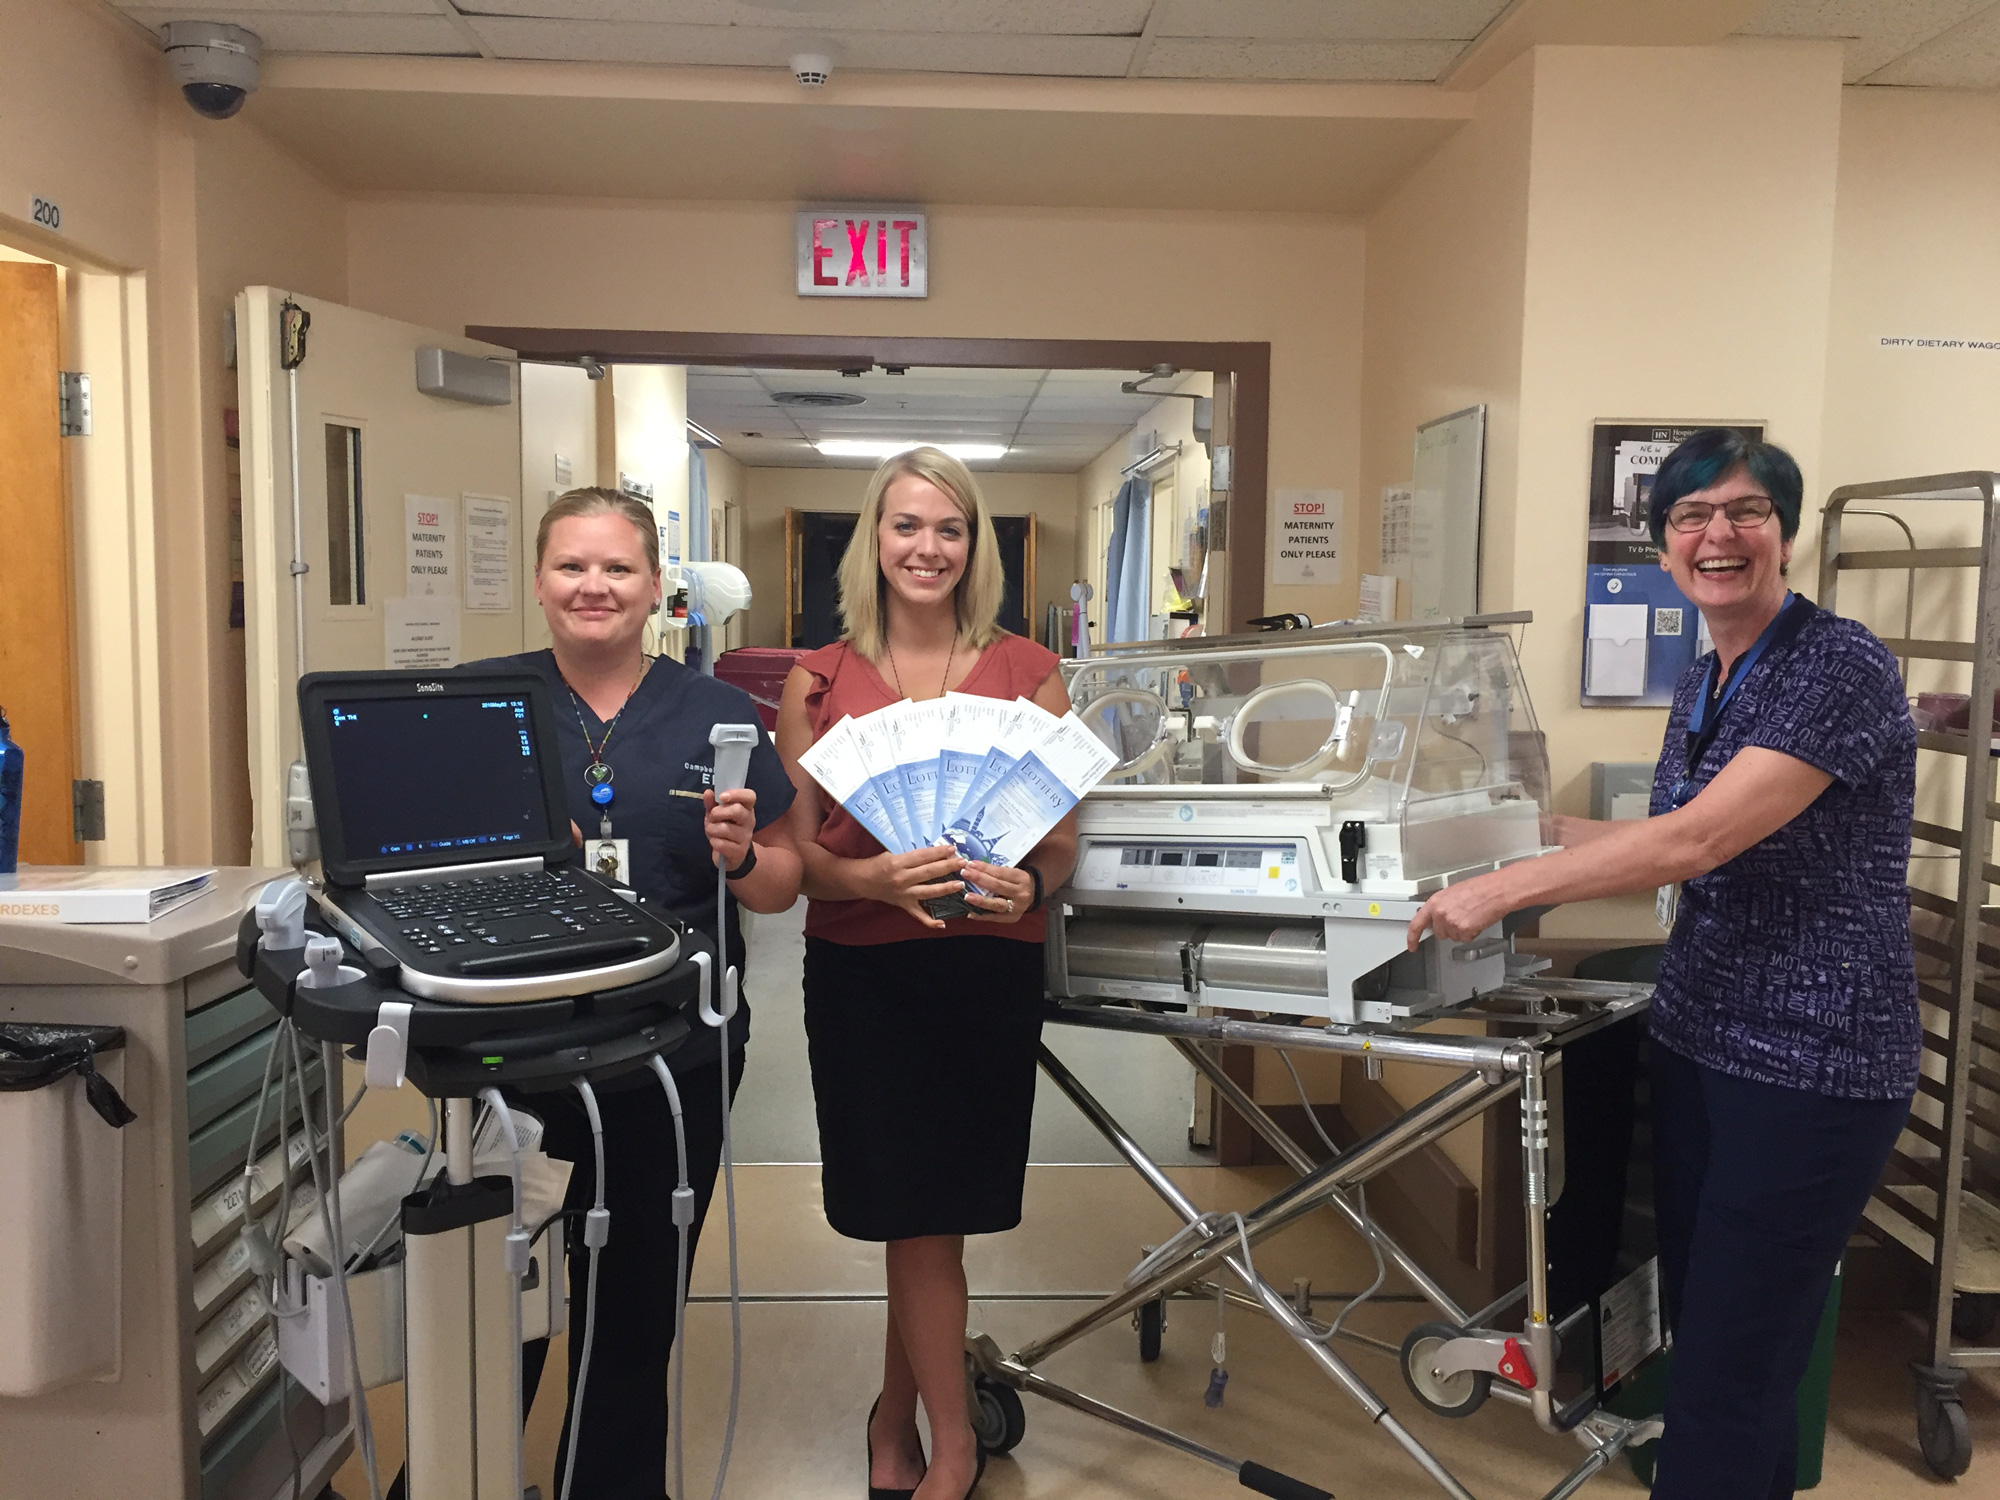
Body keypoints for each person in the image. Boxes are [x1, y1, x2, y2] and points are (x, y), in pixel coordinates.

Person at [1406, 429, 1917, 1500]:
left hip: (1809, 1066)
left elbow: (1696, 844)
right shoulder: (1707, 677)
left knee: (1728, 1374)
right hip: (1699, 1038)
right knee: (1719, 1342)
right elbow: (1656, 833)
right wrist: (1509, 830)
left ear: (1782, 533)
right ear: (1662, 545)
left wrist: (1498, 891)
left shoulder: (1838, 666)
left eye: (1742, 513)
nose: (1715, 536)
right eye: (1688, 517)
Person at [472, 486, 801, 1500]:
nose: (593, 586)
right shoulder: (481, 702)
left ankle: (606, 1486)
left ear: (656, 588)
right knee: (497, 1302)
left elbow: (784, 882)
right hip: (512, 1057)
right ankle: (466, 1475)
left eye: (617, 568)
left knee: (634, 1308)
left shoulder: (713, 713)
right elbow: (428, 871)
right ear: (538, 581)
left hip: (674, 1054)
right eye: (572, 565)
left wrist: (742, 856)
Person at [774, 448, 1077, 1500]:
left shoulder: (1029, 672)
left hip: (984, 974)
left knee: (932, 1214)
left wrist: (1028, 889)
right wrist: (867, 872)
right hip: (863, 971)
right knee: (910, 1212)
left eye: (948, 529)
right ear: (874, 540)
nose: (927, 548)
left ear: (973, 546)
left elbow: (1060, 841)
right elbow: (792, 853)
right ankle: (947, 1449)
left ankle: (898, 1423)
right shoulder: (817, 682)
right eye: (906, 526)